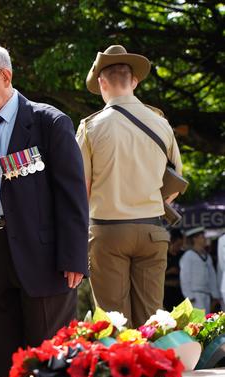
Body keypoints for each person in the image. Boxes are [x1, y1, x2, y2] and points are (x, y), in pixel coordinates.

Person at [0, 45, 88, 377]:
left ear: (5, 76)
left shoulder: (50, 121)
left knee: (50, 359)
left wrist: (75, 256)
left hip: (42, 256)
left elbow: (72, 195)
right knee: (2, 364)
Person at [77, 45, 182, 327]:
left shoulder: (90, 127)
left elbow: (81, 189)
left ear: (101, 82)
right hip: (152, 231)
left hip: (107, 232)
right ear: (134, 80)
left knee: (115, 325)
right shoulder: (161, 123)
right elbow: (175, 187)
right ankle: (154, 372)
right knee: (151, 324)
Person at [180, 227, 219, 312]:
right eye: (202, 236)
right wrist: (189, 296)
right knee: (197, 323)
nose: (205, 239)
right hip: (195, 295)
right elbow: (184, 276)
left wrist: (215, 295)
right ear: (195, 238)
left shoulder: (207, 257)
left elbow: (212, 276)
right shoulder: (188, 255)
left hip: (207, 294)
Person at [164, 229, 185, 310]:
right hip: (166, 295)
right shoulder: (163, 255)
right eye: (178, 245)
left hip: (180, 294)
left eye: (181, 245)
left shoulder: (183, 255)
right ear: (171, 242)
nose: (179, 248)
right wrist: (169, 272)